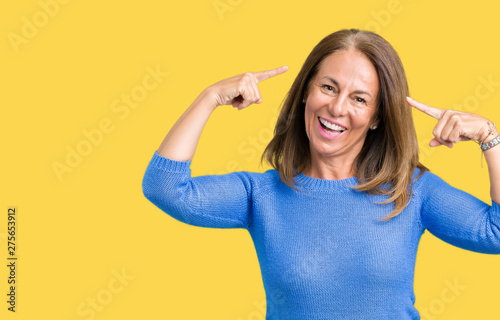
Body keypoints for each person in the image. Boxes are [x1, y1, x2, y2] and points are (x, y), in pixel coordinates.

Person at [141, 29, 500, 319]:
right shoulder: (262, 194)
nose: (337, 107)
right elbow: (165, 188)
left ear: (376, 117)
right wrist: (210, 97)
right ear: (305, 93)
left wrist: (489, 137)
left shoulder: (411, 191)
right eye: (328, 87)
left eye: (359, 99)